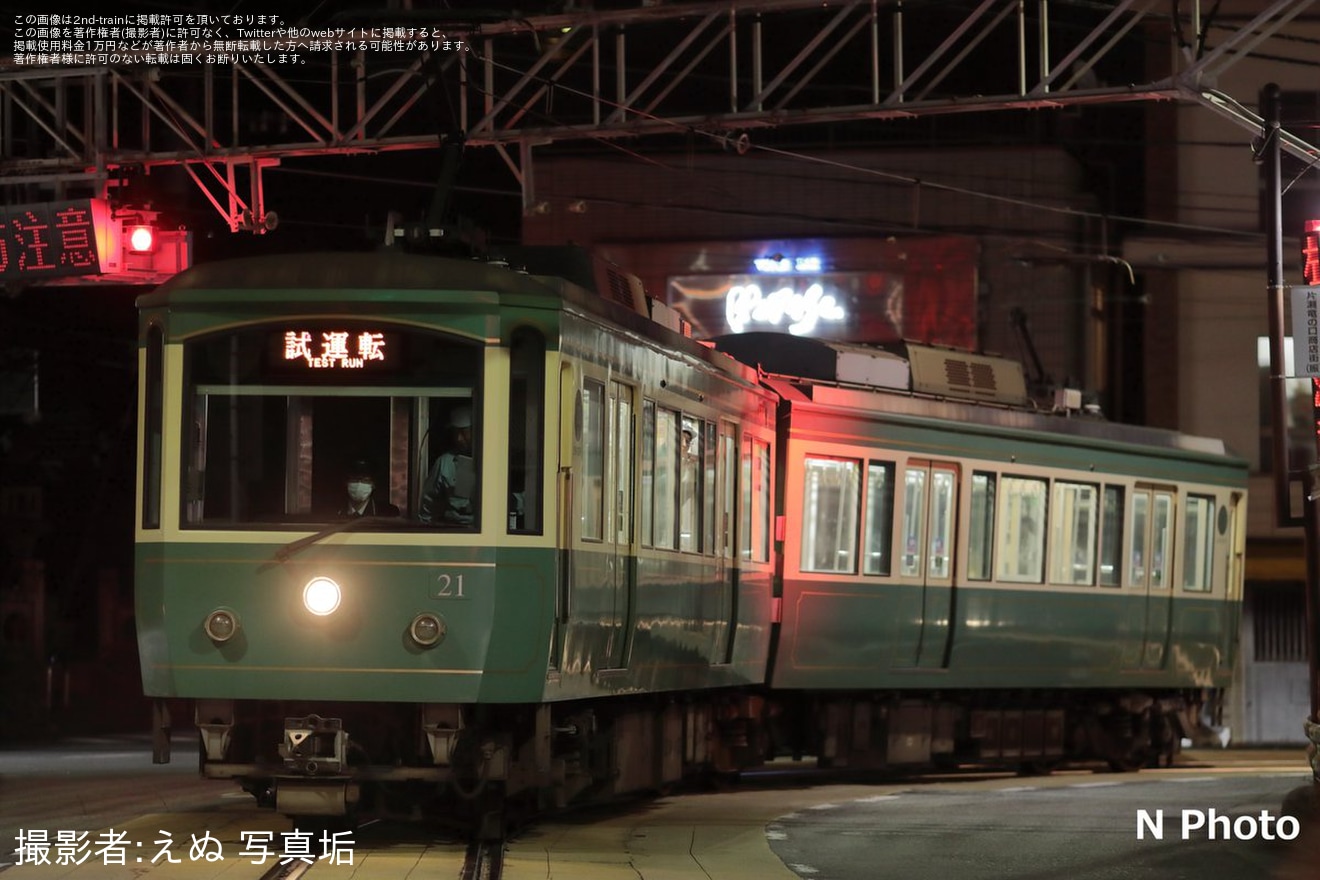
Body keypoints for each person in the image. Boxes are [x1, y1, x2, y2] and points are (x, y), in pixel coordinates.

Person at [420, 405, 477, 525]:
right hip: (454, 529)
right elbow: (429, 503)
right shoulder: (444, 462)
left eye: (463, 433)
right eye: (455, 433)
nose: (459, 439)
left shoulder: (495, 462)